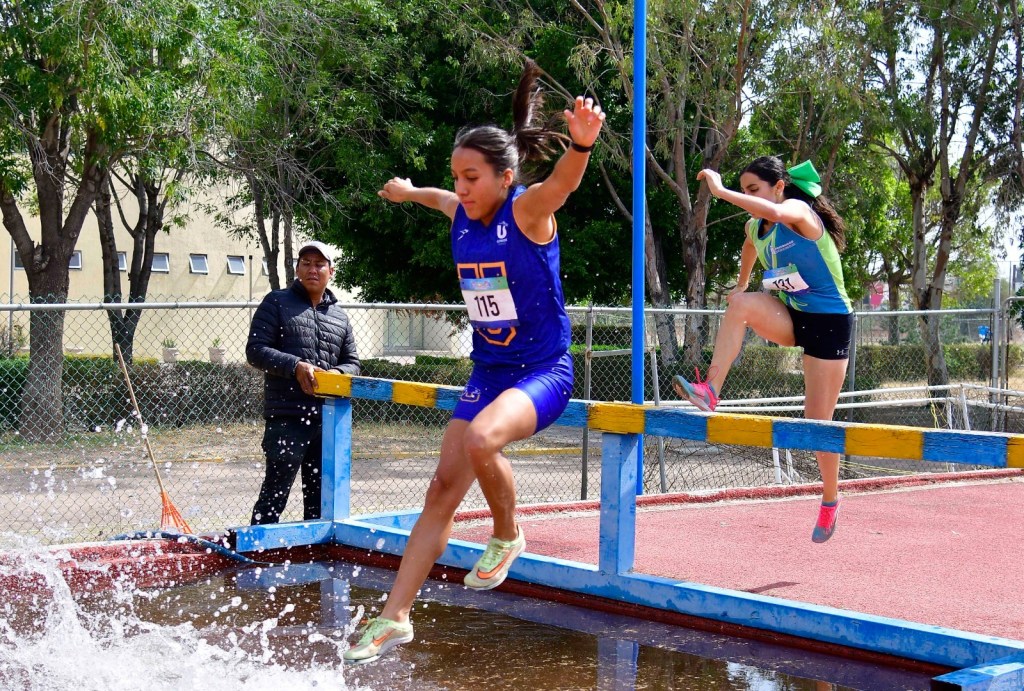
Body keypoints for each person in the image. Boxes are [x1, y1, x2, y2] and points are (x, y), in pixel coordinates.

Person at [343, 60, 605, 664]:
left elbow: (562, 184)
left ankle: (508, 533)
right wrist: (406, 192)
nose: (460, 188)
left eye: (471, 178)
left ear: (505, 178)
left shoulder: (528, 212)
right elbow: (435, 197)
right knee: (441, 488)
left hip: (543, 372)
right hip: (489, 373)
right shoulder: (460, 213)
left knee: (483, 440)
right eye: (456, 177)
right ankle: (395, 617)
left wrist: (582, 144)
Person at [673, 156, 852, 544]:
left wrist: (721, 191)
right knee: (739, 306)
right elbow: (750, 244)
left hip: (830, 323)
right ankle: (710, 390)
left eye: (754, 190)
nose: (749, 198)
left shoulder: (798, 212)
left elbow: (774, 212)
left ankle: (830, 497)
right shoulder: (756, 226)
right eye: (745, 190)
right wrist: (741, 283)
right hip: (793, 314)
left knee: (817, 423)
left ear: (779, 187)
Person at [246, 240, 361, 525]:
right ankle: (259, 547)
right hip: (287, 417)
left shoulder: (340, 317)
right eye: (306, 263)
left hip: (328, 420)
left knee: (321, 500)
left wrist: (338, 374)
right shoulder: (276, 302)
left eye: (319, 264)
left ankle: (315, 551)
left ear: (331, 272)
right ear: (297, 269)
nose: (312, 269)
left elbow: (353, 363)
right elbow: (255, 350)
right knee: (274, 493)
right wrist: (295, 366)